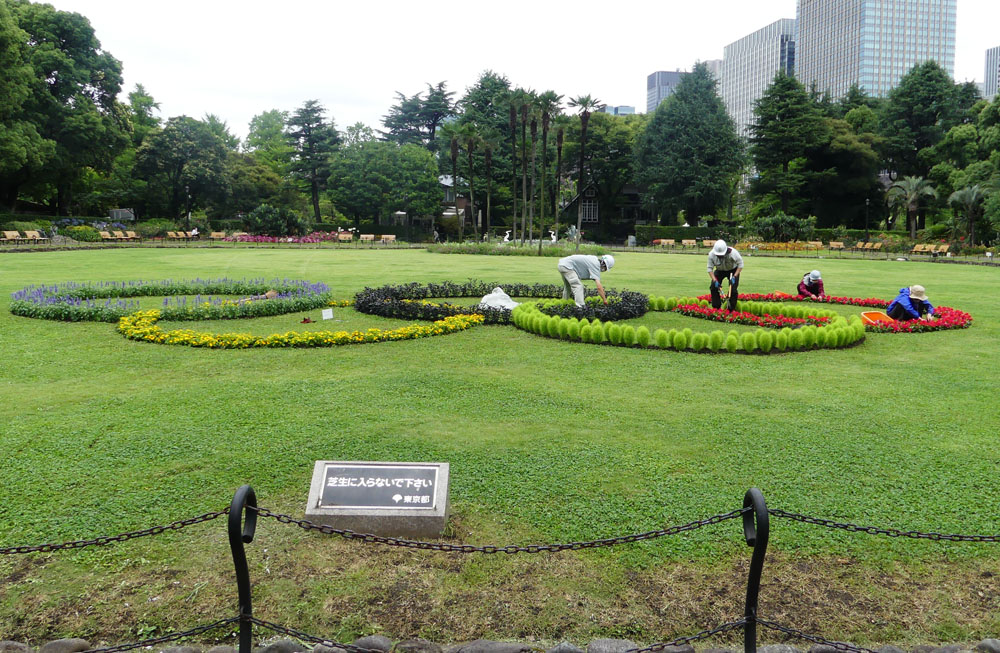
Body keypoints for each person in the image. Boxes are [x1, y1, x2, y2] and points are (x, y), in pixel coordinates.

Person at [707, 239, 743, 311]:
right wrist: (715, 281)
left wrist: (735, 276)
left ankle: (730, 309)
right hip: (719, 270)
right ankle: (716, 308)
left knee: (733, 290)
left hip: (733, 270)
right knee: (713, 287)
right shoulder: (711, 254)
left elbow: (740, 265)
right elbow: (710, 269)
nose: (720, 257)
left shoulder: (733, 253)